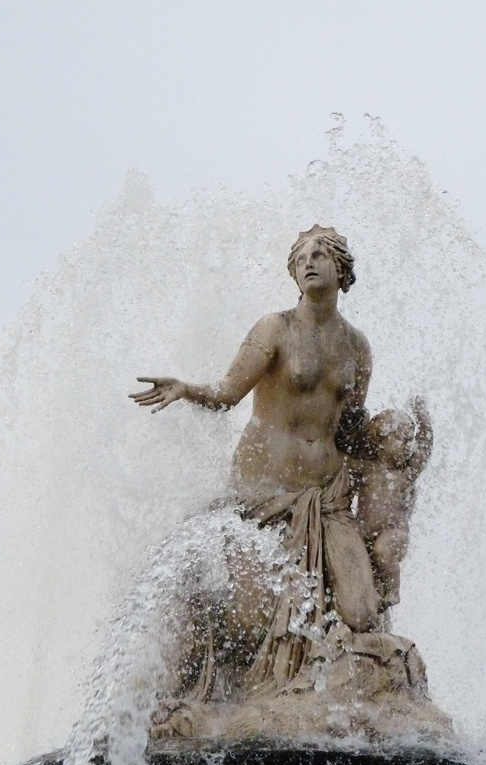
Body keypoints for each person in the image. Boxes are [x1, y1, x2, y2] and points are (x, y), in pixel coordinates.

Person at [130, 226, 381, 692]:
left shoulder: (358, 347)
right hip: (263, 493)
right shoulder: (276, 328)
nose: (309, 262)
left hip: (325, 500)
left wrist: (397, 442)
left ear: (342, 269)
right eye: (301, 257)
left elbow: (351, 429)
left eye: (321, 254)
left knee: (363, 611)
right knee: (251, 614)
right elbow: (227, 393)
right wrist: (187, 388)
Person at [353, 399, 433, 609]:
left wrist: (424, 422)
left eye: (410, 440)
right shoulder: (367, 468)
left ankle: (393, 591)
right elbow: (342, 462)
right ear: (381, 441)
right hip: (364, 532)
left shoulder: (405, 474)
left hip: (393, 532)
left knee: (382, 551)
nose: (408, 447)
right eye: (402, 440)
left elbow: (424, 450)